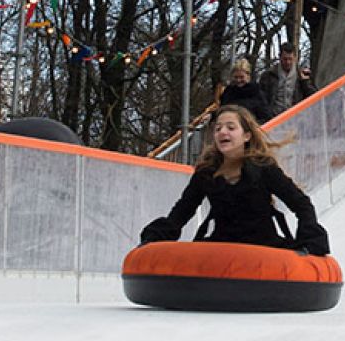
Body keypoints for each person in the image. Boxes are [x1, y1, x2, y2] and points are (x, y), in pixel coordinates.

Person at [140, 105, 330, 255]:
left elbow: (301, 204)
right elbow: (182, 212)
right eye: (218, 129)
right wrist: (156, 239)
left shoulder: (263, 168)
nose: (223, 132)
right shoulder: (207, 173)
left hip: (264, 247)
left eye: (231, 128)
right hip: (222, 247)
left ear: (246, 135)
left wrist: (308, 239)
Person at [260, 42, 316, 118]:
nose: (288, 62)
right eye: (285, 59)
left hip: (296, 117)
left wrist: (305, 82)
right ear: (279, 57)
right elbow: (262, 99)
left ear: (295, 58)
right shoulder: (268, 75)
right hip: (274, 117)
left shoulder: (303, 74)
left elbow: (314, 97)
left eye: (290, 59)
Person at [218, 58, 272, 123]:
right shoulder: (228, 92)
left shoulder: (257, 92)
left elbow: (266, 116)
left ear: (248, 76)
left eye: (241, 77)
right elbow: (221, 111)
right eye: (236, 77)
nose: (238, 80)